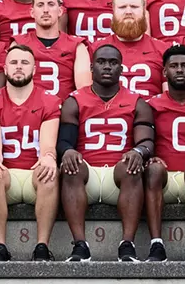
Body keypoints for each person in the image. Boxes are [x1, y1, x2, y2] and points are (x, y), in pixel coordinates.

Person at [57, 44, 158, 262]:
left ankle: (127, 244)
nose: (107, 67)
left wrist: (138, 151)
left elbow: (147, 142)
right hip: (87, 175)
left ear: (121, 69)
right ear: (92, 68)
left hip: (119, 175)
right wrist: (67, 150)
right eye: (102, 62)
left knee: (132, 165)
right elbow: (64, 140)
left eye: (113, 63)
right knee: (71, 166)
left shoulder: (137, 102)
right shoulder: (75, 100)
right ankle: (80, 245)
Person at [0, 44, 62, 259]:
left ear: (34, 69)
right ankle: (0, 246)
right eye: (14, 62)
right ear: (5, 69)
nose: (19, 67)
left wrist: (48, 157)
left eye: (25, 63)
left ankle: (42, 246)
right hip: (8, 172)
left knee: (49, 173)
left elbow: (47, 146)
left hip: (34, 172)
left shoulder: (49, 100)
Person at [147, 45, 185, 258]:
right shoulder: (152, 105)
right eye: (174, 66)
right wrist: (150, 154)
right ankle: (156, 243)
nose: (179, 70)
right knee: (153, 169)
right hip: (163, 177)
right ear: (164, 72)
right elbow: (142, 138)